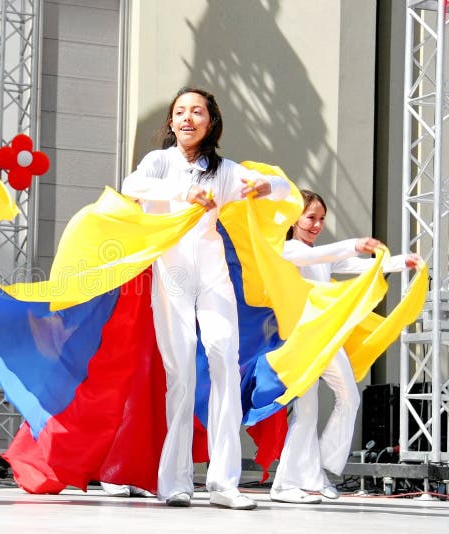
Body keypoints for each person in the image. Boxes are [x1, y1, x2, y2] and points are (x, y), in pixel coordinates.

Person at [121, 87, 291, 509]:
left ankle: (223, 483)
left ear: (210, 121)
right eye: (179, 111)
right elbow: (131, 185)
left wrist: (263, 186)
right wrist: (183, 195)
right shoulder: (159, 162)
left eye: (196, 112)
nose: (187, 118)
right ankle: (176, 481)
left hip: (213, 274)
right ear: (172, 122)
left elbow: (286, 189)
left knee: (225, 362)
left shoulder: (225, 170)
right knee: (181, 374)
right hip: (172, 273)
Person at [270, 190, 420, 504]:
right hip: (303, 340)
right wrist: (352, 243)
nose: (316, 224)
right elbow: (312, 257)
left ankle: (309, 476)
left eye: (321, 219)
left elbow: (362, 267)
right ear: (294, 218)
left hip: (322, 338)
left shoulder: (321, 253)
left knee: (325, 405)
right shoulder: (287, 249)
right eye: (310, 217)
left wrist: (403, 261)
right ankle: (291, 482)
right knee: (313, 409)